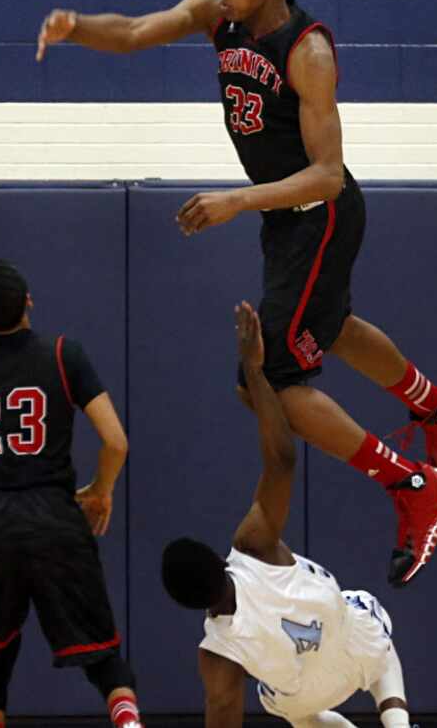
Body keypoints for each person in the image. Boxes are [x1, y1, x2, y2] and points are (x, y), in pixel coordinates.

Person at [36, 0, 437, 586]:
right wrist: (77, 29)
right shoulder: (219, 16)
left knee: (266, 379)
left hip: (321, 213)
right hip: (286, 219)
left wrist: (238, 201)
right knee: (327, 328)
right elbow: (131, 32)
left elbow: (329, 173)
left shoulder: (308, 51)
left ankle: (413, 483)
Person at [162, 301, 414, 728]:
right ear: (215, 558)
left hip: (302, 694)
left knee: (277, 700)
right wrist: (255, 371)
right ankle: (397, 722)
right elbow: (281, 460)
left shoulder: (217, 654)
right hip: (356, 646)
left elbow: (222, 711)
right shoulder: (253, 548)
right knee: (368, 611)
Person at [0, 259, 144, 728]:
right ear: (28, 303)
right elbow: (116, 441)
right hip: (53, 515)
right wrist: (101, 491)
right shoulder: (63, 355)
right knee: (101, 651)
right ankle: (129, 721)